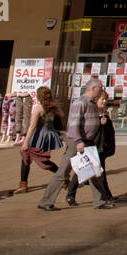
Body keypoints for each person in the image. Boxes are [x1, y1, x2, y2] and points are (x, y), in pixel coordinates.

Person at [37, 79, 110, 211]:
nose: (101, 90)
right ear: (93, 88)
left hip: (87, 141)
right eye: (100, 87)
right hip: (77, 142)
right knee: (63, 172)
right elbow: (74, 123)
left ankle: (100, 201)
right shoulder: (80, 102)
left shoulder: (91, 103)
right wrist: (78, 141)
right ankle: (46, 201)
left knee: (94, 171)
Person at [13, 86, 64, 194]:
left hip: (39, 136)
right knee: (26, 157)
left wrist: (25, 142)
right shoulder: (53, 108)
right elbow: (62, 115)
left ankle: (62, 176)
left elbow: (32, 126)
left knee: (42, 161)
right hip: (48, 135)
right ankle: (23, 184)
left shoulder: (38, 109)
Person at [69, 90, 117, 205]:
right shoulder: (93, 113)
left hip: (102, 146)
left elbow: (109, 132)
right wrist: (99, 123)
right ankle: (72, 194)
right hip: (92, 145)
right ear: (96, 100)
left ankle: (106, 195)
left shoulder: (105, 113)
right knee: (87, 170)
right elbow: (88, 129)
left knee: (92, 170)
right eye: (102, 99)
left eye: (105, 99)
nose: (104, 101)